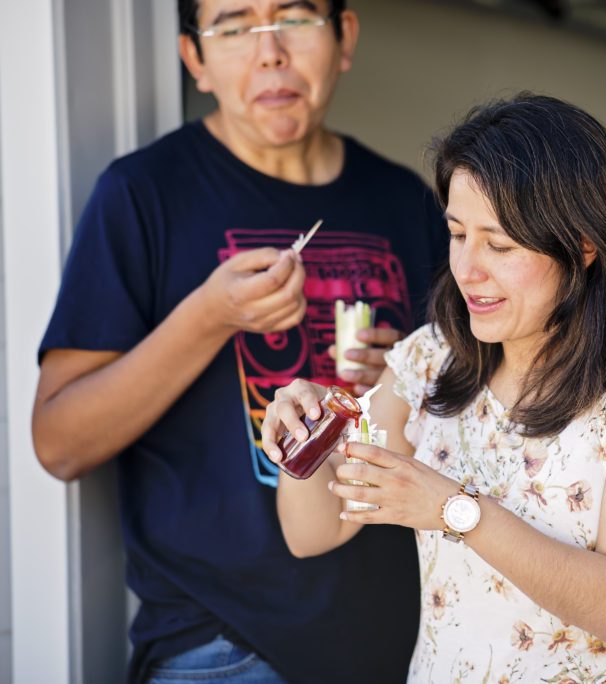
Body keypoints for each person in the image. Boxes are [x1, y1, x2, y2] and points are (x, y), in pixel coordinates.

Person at [32, 1, 447, 681]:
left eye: (296, 17)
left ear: (344, 36)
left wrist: (407, 376)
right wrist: (208, 317)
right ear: (195, 59)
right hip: (221, 645)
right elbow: (59, 441)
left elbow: (480, 419)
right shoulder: (142, 194)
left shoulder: (405, 201)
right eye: (233, 26)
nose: (270, 52)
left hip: (400, 638)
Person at [262, 93, 606, 682]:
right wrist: (299, 438)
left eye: (499, 245)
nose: (469, 269)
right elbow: (314, 532)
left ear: (583, 246)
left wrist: (454, 509)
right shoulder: (427, 361)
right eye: (457, 233)